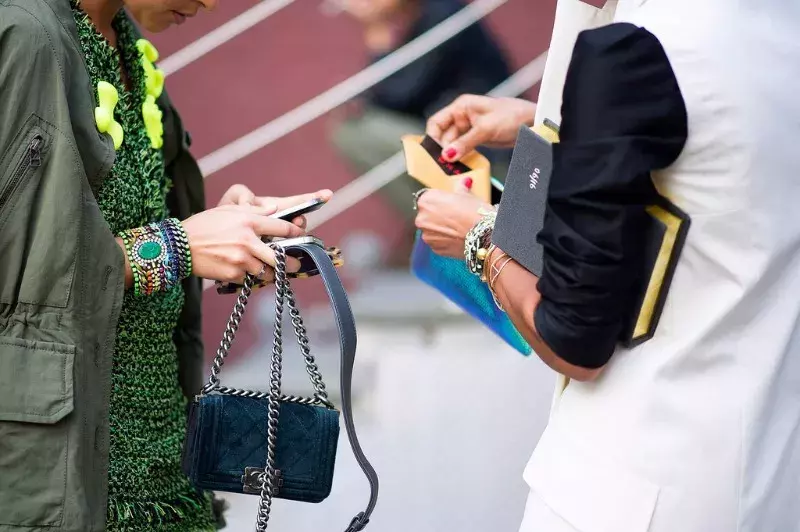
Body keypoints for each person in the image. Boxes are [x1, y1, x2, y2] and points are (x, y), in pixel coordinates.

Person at [415, 0, 800, 530]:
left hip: (627, 483)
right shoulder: (777, 23)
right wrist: (554, 120)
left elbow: (573, 342)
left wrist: (478, 236)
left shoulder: (630, 54)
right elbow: (725, 147)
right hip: (769, 474)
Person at [0, 1, 330, 530]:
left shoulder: (127, 44)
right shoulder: (24, 35)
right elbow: (21, 262)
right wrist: (177, 246)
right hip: (68, 479)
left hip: (171, 471)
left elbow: (118, 226)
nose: (210, 3)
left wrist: (224, 233)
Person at [331, 0, 511, 263]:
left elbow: (399, 94)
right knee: (354, 131)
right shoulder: (422, 18)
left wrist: (378, 34)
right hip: (466, 151)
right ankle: (439, 227)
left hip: (493, 160)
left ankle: (445, 233)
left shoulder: (443, 13)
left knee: (356, 134)